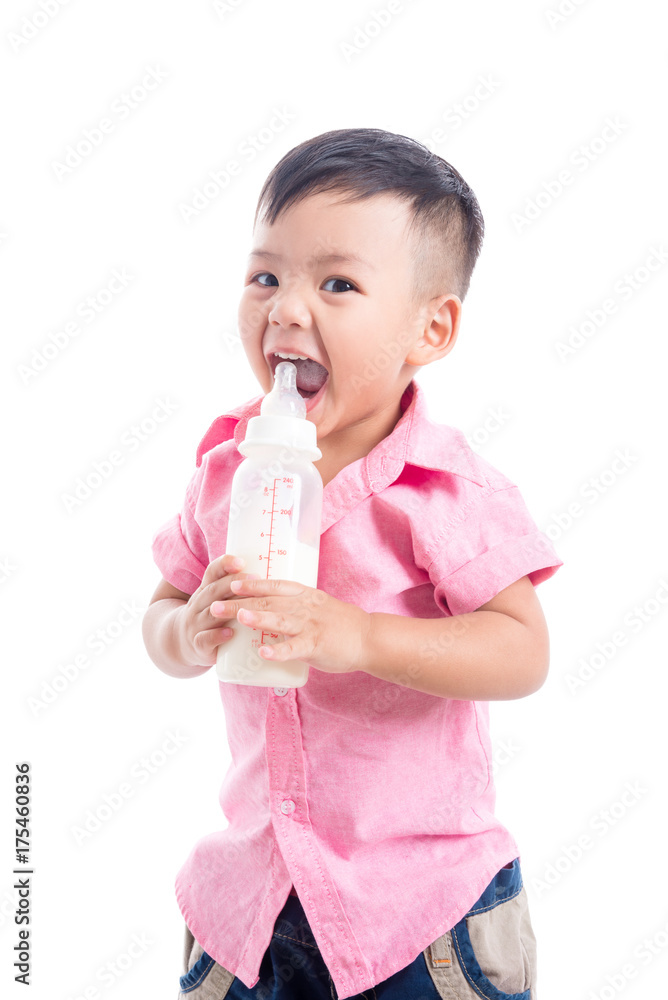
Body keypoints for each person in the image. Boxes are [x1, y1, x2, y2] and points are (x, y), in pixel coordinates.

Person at [143, 127, 563, 999]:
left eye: (337, 284)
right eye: (266, 276)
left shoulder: (444, 491)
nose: (286, 310)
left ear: (430, 327)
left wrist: (363, 636)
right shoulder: (227, 468)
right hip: (250, 910)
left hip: (421, 916)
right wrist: (188, 627)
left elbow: (521, 651)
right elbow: (161, 616)